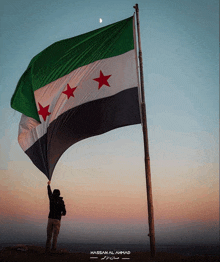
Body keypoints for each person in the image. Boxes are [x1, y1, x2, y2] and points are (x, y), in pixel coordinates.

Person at [45, 181, 66, 252]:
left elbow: (49, 192)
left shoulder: (51, 199)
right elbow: (64, 212)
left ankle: (47, 249)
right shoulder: (61, 201)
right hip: (57, 219)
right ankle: (53, 249)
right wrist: (61, 214)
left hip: (50, 218)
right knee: (55, 235)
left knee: (49, 235)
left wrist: (48, 185)